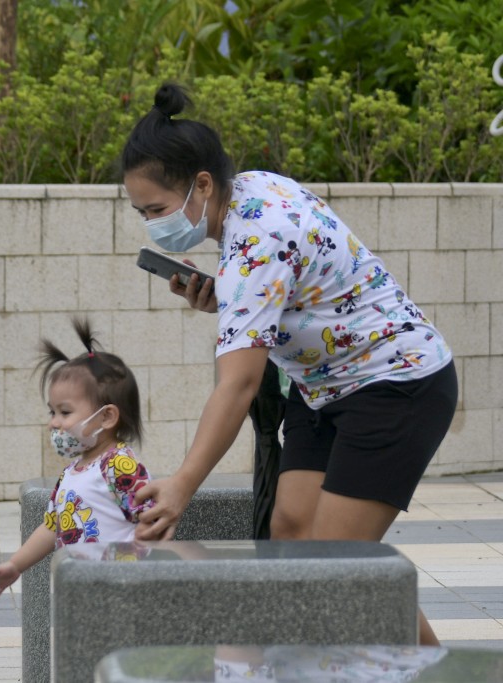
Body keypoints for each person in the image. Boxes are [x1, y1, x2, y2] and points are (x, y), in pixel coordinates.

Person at [122, 82, 458, 646]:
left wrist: (182, 485)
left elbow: (238, 385)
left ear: (202, 184)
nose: (152, 224)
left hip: (395, 383)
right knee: (295, 535)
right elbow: (285, 290)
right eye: (141, 212)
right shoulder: (252, 187)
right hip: (323, 388)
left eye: (156, 209)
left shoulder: (257, 238)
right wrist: (226, 300)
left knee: (339, 567)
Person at [0, 317, 152, 599]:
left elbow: (153, 520)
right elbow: (52, 525)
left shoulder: (118, 465)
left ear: (106, 416)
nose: (54, 423)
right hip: (80, 593)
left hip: (119, 591)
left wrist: (136, 572)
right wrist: (14, 566)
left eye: (65, 413)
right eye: (52, 412)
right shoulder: (73, 471)